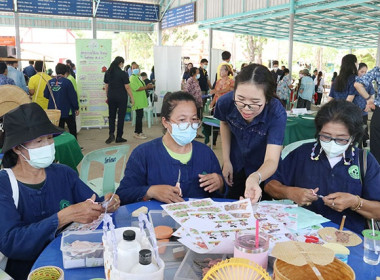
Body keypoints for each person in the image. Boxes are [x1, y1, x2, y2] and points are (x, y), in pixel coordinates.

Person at [0, 103, 120, 279]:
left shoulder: (63, 173)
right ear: (17, 148)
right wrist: (63, 217)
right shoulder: (5, 184)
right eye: (39, 141)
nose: (48, 145)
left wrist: (107, 203)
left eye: (49, 138)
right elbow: (11, 242)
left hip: (72, 257)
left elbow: (92, 203)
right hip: (28, 269)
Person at [264, 100, 380, 234]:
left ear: (353, 138)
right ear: (319, 131)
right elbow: (270, 185)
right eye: (325, 136)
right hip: (303, 236)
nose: (332, 143)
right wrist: (289, 192)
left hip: (348, 240)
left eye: (341, 139)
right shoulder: (302, 153)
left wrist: (355, 203)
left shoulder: (364, 161)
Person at [116, 91, 224, 204]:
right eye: (182, 120)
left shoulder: (205, 153)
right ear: (165, 122)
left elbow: (221, 196)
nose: (189, 125)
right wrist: (150, 191)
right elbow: (123, 194)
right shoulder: (143, 154)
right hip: (158, 220)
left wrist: (220, 183)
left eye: (193, 119)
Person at [214, 64, 286, 202]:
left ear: (267, 98)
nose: (246, 108)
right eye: (240, 99)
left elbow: (271, 159)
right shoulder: (225, 102)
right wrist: (227, 160)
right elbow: (224, 123)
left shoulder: (276, 112)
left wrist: (255, 177)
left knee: (259, 210)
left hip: (263, 168)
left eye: (255, 102)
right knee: (232, 204)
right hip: (236, 162)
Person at [104, 56, 134, 144]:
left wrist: (108, 96)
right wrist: (132, 97)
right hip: (121, 97)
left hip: (111, 97)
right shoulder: (123, 73)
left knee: (111, 116)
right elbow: (127, 87)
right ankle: (119, 137)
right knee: (121, 117)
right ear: (120, 63)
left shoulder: (108, 72)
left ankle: (111, 134)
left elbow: (106, 86)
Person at [44, 63, 79, 139]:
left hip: (54, 112)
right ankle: (73, 146)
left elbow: (46, 95)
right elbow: (73, 97)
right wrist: (76, 108)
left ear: (56, 71)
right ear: (65, 71)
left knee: (58, 131)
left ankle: (59, 147)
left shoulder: (50, 82)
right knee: (72, 129)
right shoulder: (67, 82)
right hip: (67, 111)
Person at [354, 65, 380, 164]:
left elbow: (357, 84)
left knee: (376, 149)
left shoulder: (377, 70)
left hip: (379, 114)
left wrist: (369, 99)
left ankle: (375, 173)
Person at [204, 64, 234, 146]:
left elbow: (229, 90)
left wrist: (216, 92)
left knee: (227, 123)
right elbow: (216, 94)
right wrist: (212, 103)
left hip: (228, 105)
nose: (220, 72)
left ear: (226, 71)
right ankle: (213, 141)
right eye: (220, 70)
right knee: (215, 122)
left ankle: (229, 141)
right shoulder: (218, 81)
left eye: (222, 70)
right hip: (218, 104)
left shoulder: (231, 81)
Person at [347, 63, 375, 148]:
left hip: (364, 112)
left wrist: (369, 105)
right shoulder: (353, 82)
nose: (363, 74)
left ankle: (365, 148)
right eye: (361, 71)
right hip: (354, 112)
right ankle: (356, 149)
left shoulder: (368, 82)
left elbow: (372, 94)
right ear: (357, 71)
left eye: (365, 72)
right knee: (355, 132)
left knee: (364, 130)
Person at [130, 63, 153, 140]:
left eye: (137, 67)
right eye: (134, 68)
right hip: (137, 100)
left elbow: (142, 86)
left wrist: (148, 86)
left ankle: (139, 131)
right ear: (131, 69)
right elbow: (137, 88)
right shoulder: (132, 78)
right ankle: (137, 133)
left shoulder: (138, 77)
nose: (136, 69)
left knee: (140, 116)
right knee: (139, 117)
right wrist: (147, 87)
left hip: (141, 100)